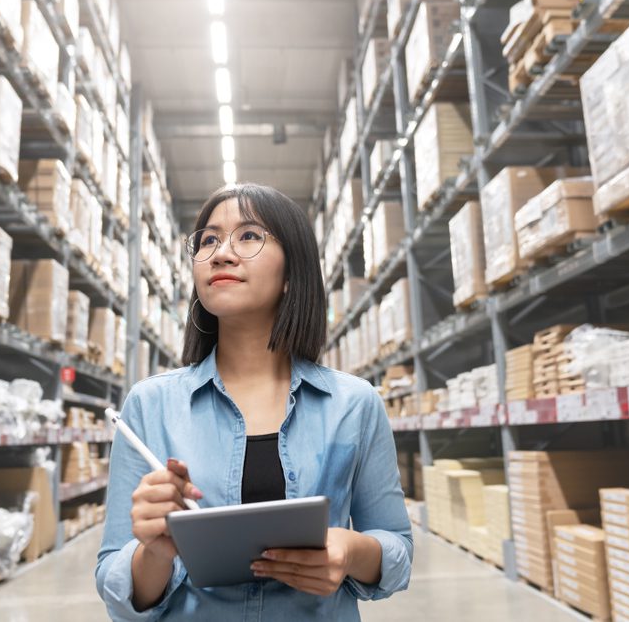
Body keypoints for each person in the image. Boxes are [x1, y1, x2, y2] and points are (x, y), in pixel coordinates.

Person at [95, 184, 413, 620]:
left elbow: (397, 548)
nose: (221, 253)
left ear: (291, 273)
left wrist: (351, 550)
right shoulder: (149, 406)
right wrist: (155, 551)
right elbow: (116, 582)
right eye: (208, 240)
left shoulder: (354, 404)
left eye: (248, 236)